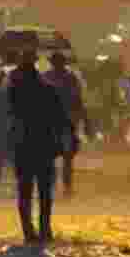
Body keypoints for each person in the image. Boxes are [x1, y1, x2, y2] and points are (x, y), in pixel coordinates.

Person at [8, 50, 72, 246]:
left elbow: (4, 120)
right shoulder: (48, 90)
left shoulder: (13, 92)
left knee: (25, 190)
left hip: (22, 147)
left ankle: (28, 231)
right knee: (45, 191)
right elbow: (61, 119)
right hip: (44, 146)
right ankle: (45, 229)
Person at [43, 51, 88, 197]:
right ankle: (64, 186)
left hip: (56, 122)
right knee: (65, 157)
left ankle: (59, 185)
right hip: (63, 122)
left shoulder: (47, 77)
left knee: (55, 156)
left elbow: (77, 100)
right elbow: (78, 100)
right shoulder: (69, 78)